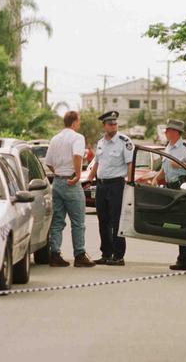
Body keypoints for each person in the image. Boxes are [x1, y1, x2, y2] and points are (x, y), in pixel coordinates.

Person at [44, 111, 95, 268]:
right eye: (78, 121)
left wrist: (58, 172)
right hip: (71, 182)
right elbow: (77, 155)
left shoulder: (55, 138)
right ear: (74, 123)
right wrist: (78, 174)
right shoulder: (77, 137)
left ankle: (55, 254)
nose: (79, 124)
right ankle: (79, 254)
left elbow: (48, 162)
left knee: (58, 220)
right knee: (78, 221)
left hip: (58, 182)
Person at [152, 119, 186, 270]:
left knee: (181, 222)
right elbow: (166, 167)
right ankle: (185, 257)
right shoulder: (169, 147)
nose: (166, 133)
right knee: (175, 222)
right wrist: (156, 178)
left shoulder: (185, 148)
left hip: (183, 186)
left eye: (168, 131)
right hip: (171, 186)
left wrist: (182, 164)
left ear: (175, 132)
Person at [86, 111, 133, 266]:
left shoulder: (124, 141)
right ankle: (106, 253)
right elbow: (97, 163)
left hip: (116, 185)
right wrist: (89, 179)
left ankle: (118, 256)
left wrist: (130, 182)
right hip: (101, 185)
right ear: (104, 126)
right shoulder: (101, 142)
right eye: (110, 124)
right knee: (103, 220)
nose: (113, 126)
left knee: (116, 220)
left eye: (115, 123)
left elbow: (130, 164)